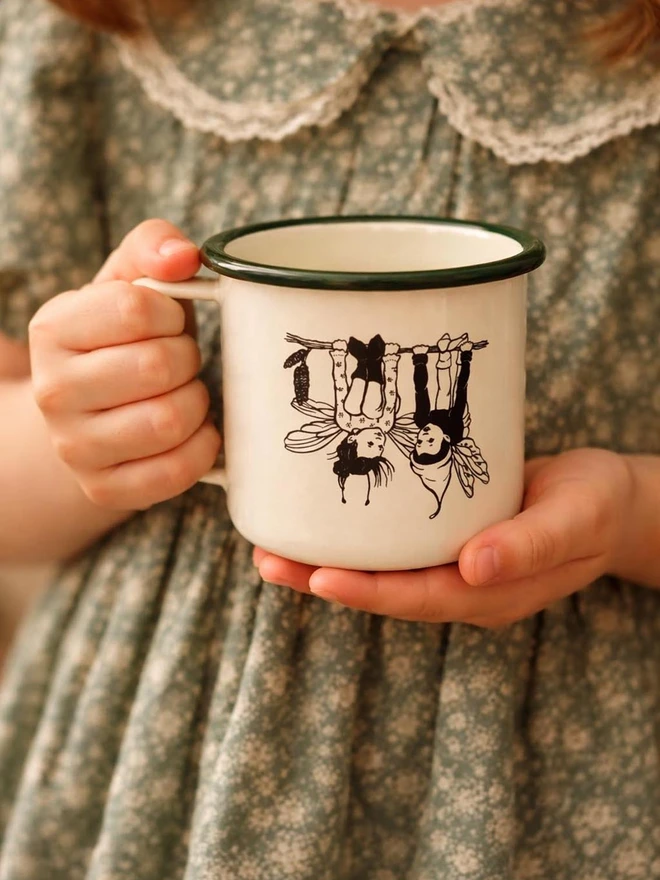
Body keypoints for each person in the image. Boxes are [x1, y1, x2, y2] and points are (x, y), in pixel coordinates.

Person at [0, 0, 659, 878]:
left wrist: (632, 513)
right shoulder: (97, 27)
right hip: (168, 748)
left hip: (575, 769)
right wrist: (94, 431)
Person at [284, 336, 400, 504]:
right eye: (380, 447)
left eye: (370, 444)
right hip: (379, 385)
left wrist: (339, 356)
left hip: (357, 390)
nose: (378, 441)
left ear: (352, 438)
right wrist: (390, 361)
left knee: (351, 407)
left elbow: (341, 388)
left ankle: (363, 362)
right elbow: (391, 396)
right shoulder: (385, 425)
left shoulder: (344, 421)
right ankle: (374, 363)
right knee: (371, 409)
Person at [409, 334, 490, 518]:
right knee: (450, 390)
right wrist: (466, 357)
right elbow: (462, 389)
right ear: (445, 439)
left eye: (419, 441)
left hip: (440, 409)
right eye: (430, 441)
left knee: (442, 391)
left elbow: (420, 390)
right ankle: (449, 353)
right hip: (453, 410)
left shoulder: (422, 420)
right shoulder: (454, 429)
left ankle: (445, 353)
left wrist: (419, 360)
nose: (423, 435)